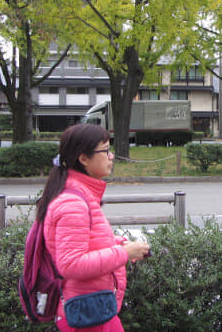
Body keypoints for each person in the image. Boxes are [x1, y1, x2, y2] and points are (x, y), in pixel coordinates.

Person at [37, 123, 150, 331]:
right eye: (106, 150)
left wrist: (119, 244)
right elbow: (70, 264)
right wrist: (123, 253)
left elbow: (86, 242)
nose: (112, 156)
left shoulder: (81, 196)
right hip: (87, 315)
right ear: (84, 158)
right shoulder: (73, 204)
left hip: (93, 310)